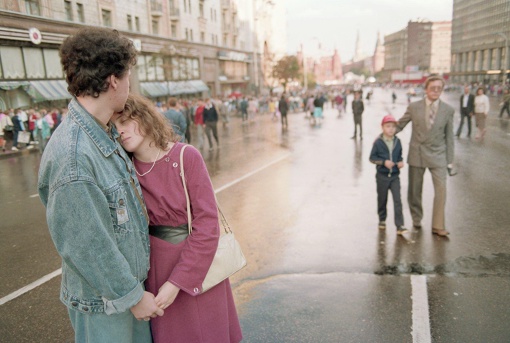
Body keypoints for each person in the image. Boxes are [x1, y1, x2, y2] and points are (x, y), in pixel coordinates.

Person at [37, 27, 162, 343]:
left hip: (117, 298)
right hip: (107, 306)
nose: (129, 84)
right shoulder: (74, 156)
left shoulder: (101, 132)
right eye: (128, 75)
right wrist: (133, 296)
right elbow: (87, 244)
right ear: (113, 80)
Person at [112, 93, 243, 343]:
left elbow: (207, 224)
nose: (120, 131)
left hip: (198, 266)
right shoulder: (124, 171)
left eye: (125, 121)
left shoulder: (186, 156)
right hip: (156, 270)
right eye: (115, 127)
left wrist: (178, 282)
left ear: (144, 118)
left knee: (207, 334)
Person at [396, 76, 454, 237]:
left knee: (441, 190)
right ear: (426, 89)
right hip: (418, 153)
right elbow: (400, 124)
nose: (436, 91)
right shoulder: (414, 107)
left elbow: (449, 137)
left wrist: (450, 161)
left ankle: (438, 225)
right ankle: (417, 217)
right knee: (414, 190)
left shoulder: (448, 110)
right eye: (432, 88)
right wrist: (385, 135)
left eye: (439, 88)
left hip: (439, 155)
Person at [370, 114, 406, 235]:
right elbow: (372, 158)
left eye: (393, 127)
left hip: (395, 176)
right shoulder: (378, 142)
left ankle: (400, 225)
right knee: (382, 199)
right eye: (388, 126)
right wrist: (383, 162)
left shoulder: (398, 141)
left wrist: (400, 161)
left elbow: (399, 155)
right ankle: (382, 219)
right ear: (382, 127)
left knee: (397, 200)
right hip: (382, 176)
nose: (391, 129)